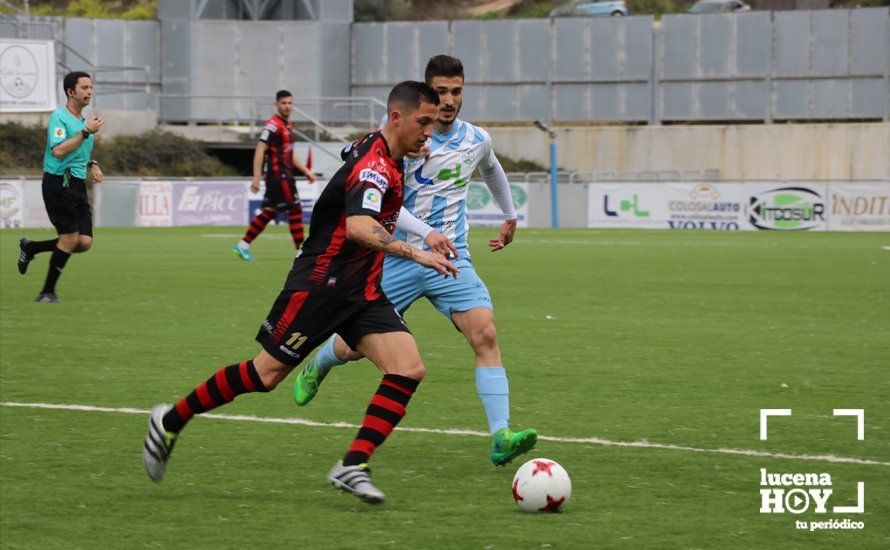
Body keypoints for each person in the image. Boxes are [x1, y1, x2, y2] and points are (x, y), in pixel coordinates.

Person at [144, 81, 454, 504]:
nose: (429, 133)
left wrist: (426, 231)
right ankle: (170, 419)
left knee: (407, 368)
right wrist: (414, 252)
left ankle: (352, 465)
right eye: (423, 122)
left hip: (361, 290)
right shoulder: (376, 166)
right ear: (396, 117)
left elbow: (359, 172)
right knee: (264, 375)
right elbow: (359, 226)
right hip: (320, 284)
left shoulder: (381, 150)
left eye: (433, 124)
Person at [292, 55, 537, 467]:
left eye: (456, 91)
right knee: (353, 348)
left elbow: (493, 170)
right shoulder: (402, 140)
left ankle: (501, 435)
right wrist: (424, 234)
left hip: (450, 259)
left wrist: (509, 215)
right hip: (396, 260)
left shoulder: (476, 139)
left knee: (485, 334)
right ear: (426, 93)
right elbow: (376, 208)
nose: (449, 100)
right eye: (440, 91)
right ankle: (319, 363)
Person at [17, 71, 104, 302]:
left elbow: (79, 151)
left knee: (84, 242)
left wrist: (92, 164)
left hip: (76, 183)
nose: (89, 92)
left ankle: (32, 248)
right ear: (70, 91)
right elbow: (59, 150)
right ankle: (47, 292)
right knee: (69, 238)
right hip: (58, 182)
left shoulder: (83, 121)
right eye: (84, 88)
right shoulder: (59, 118)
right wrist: (86, 132)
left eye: (91, 87)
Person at [233, 90, 317, 262]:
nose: (287, 106)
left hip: (284, 175)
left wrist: (306, 171)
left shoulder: (288, 126)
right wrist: (256, 177)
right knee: (295, 209)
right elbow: (260, 149)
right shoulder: (273, 125)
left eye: (290, 103)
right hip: (279, 176)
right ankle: (301, 253)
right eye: (284, 103)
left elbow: (290, 154)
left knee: (271, 211)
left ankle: (243, 245)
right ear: (277, 104)